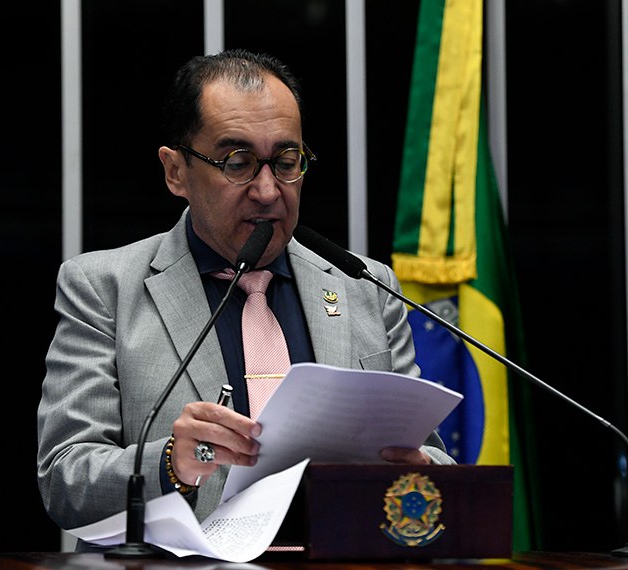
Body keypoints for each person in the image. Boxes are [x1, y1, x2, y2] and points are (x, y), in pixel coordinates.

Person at [36, 49, 454, 545]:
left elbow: (432, 455)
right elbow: (66, 482)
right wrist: (172, 462)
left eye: (286, 161)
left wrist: (420, 467)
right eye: (237, 162)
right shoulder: (104, 287)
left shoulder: (364, 286)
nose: (267, 190)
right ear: (175, 172)